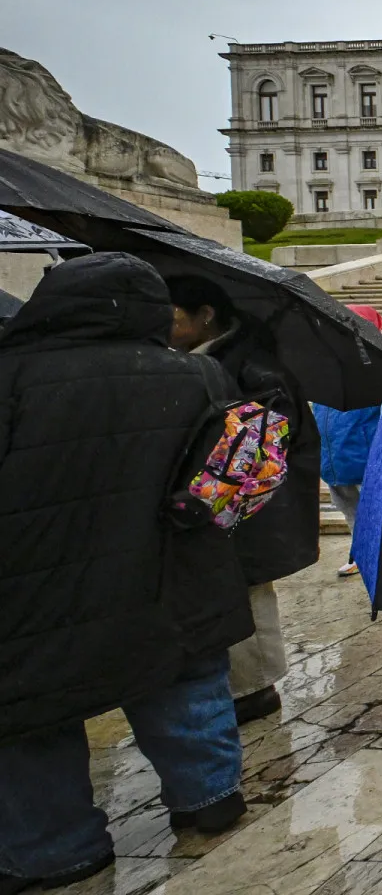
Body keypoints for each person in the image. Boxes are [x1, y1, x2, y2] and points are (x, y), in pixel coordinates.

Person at [0, 254, 255, 890]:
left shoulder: (7, 377)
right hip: (175, 573)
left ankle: (57, 849)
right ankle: (210, 796)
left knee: (31, 716)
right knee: (186, 680)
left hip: (32, 588)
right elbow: (240, 476)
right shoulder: (202, 376)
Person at [168, 275, 321, 725]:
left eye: (174, 317)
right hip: (213, 503)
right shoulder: (209, 361)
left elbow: (263, 445)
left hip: (243, 506)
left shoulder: (250, 368)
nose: (166, 327)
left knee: (246, 589)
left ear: (206, 315)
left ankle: (254, 687)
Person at [315, 304, 382, 578]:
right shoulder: (326, 367)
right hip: (334, 456)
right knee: (350, 511)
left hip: (366, 453)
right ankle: (359, 552)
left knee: (380, 510)